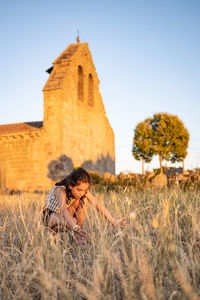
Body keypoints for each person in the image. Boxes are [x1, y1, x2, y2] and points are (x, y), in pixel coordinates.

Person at [43, 167, 127, 245]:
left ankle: (76, 233)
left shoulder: (82, 193)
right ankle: (75, 231)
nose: (82, 193)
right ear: (70, 186)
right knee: (67, 220)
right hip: (50, 218)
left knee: (84, 199)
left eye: (84, 190)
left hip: (65, 220)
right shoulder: (60, 190)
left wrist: (113, 221)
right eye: (79, 190)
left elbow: (97, 205)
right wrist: (75, 226)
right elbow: (64, 210)